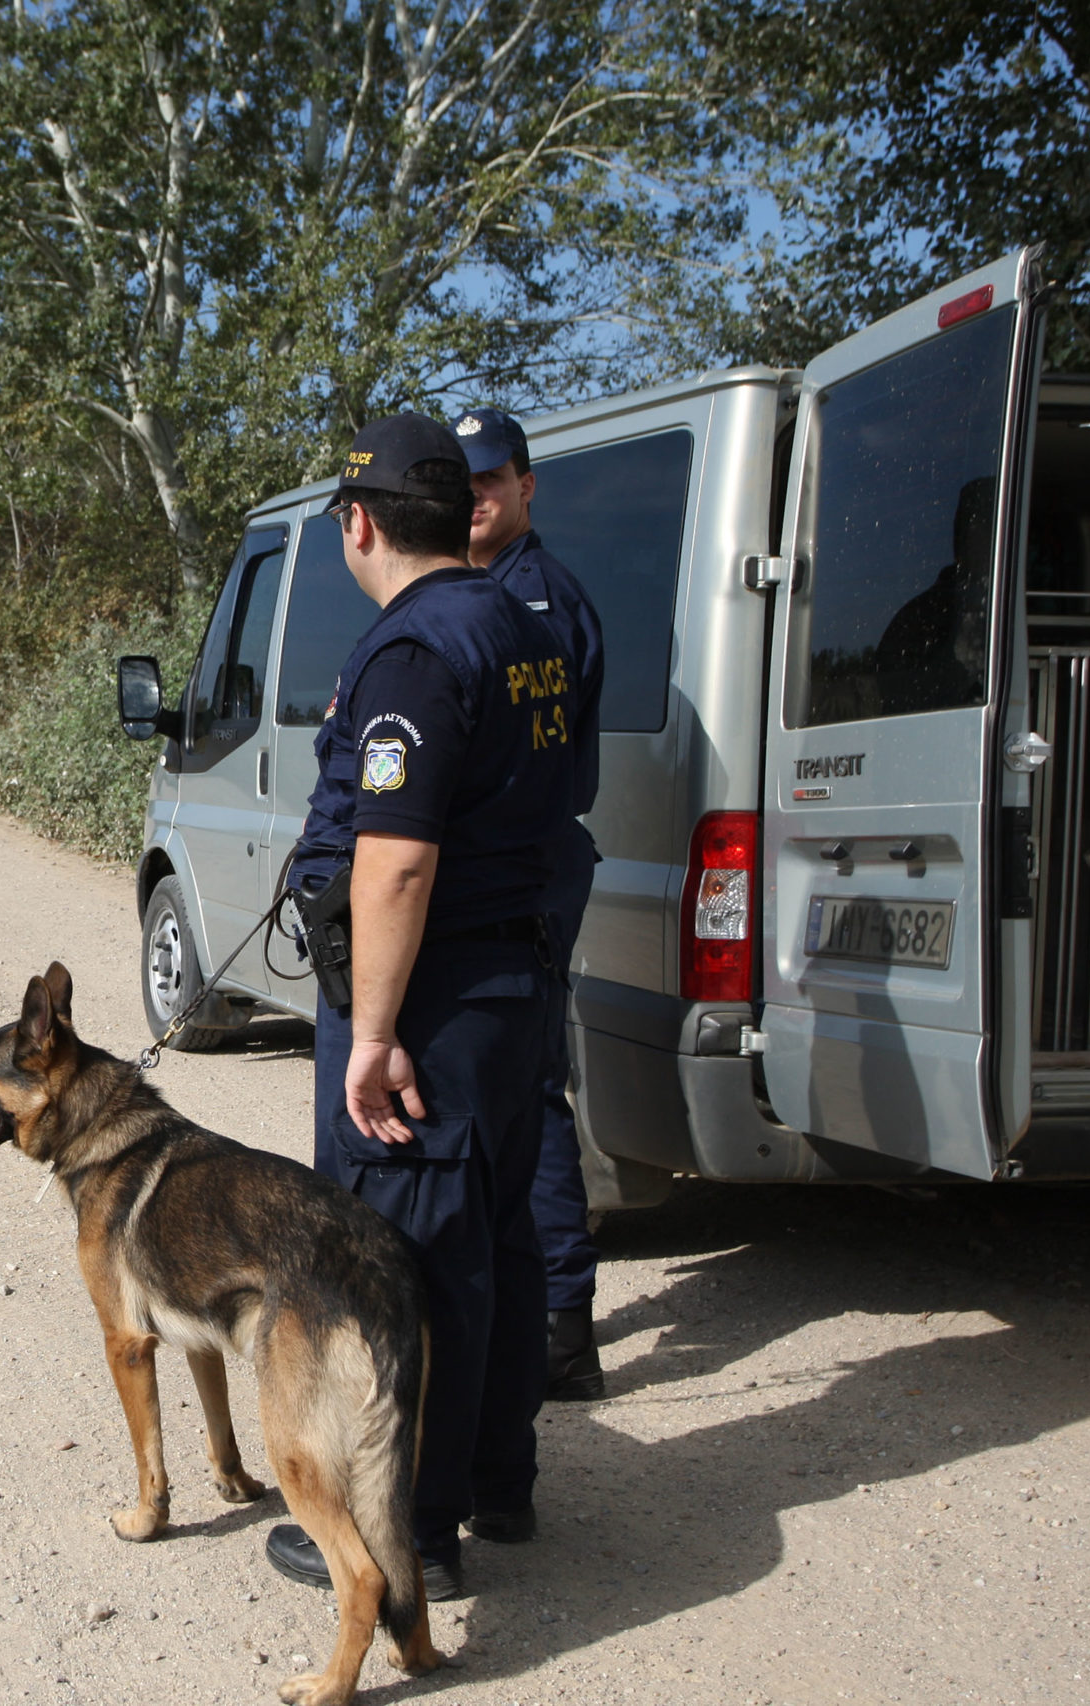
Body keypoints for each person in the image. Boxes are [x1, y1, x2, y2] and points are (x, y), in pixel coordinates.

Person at [264, 414, 576, 1605]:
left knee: (407, 1258)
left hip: (431, 1000)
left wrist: (377, 1033)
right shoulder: (517, 618)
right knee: (492, 1240)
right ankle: (499, 1479)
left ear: (359, 522)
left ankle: (410, 1533)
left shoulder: (413, 651)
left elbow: (395, 862)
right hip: (508, 984)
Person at [454, 406, 609, 1403]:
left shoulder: (535, 601)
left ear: (525, 486)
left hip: (528, 870)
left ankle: (559, 1329)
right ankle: (530, 1315)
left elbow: (522, 772)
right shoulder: (484, 588)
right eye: (461, 484)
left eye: (491, 482)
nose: (476, 499)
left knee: (529, 1095)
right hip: (512, 868)